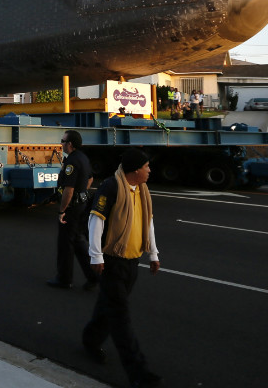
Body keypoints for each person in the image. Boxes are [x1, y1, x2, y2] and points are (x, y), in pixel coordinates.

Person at [82, 148, 162, 388]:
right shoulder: (112, 186)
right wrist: (96, 256)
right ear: (136, 170)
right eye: (147, 166)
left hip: (132, 261)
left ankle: (90, 339)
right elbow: (96, 219)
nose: (149, 170)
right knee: (120, 318)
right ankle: (139, 373)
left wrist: (154, 253)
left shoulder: (142, 191)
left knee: (109, 308)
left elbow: (147, 221)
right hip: (113, 260)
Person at [47, 130, 99, 290]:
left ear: (70, 144)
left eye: (63, 141)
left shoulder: (71, 162)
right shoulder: (82, 158)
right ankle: (93, 275)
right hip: (81, 205)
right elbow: (90, 177)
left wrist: (62, 210)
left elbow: (68, 189)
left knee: (65, 244)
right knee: (77, 241)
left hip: (72, 208)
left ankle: (64, 279)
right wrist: (82, 192)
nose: (61, 143)